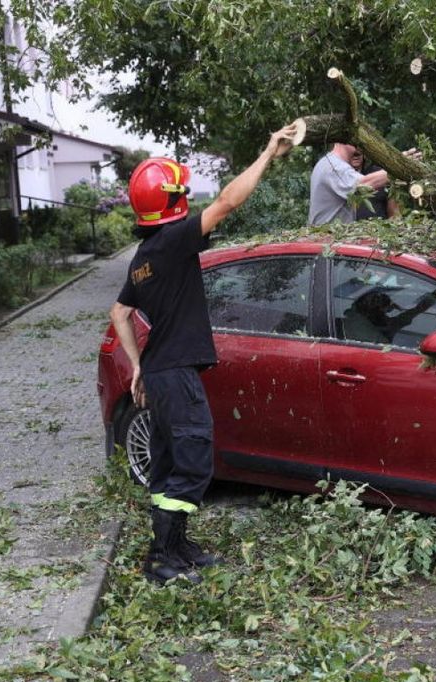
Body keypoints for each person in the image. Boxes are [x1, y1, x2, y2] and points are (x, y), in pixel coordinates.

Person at [109, 124, 298, 584]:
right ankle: (163, 559)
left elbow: (119, 313)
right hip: (174, 375)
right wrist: (267, 151)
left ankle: (176, 546)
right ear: (170, 200)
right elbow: (229, 202)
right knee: (193, 463)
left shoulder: (145, 255)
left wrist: (137, 366)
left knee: (170, 463)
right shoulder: (174, 243)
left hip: (159, 373)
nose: (189, 198)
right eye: (181, 193)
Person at [308, 143, 390, 225]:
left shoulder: (328, 161)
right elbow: (364, 184)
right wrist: (396, 169)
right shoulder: (334, 166)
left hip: (327, 234)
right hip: (326, 235)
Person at [348, 148, 399, 220]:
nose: (356, 152)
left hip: (380, 229)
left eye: (358, 147)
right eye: (351, 147)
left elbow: (395, 214)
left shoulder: (381, 175)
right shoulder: (334, 177)